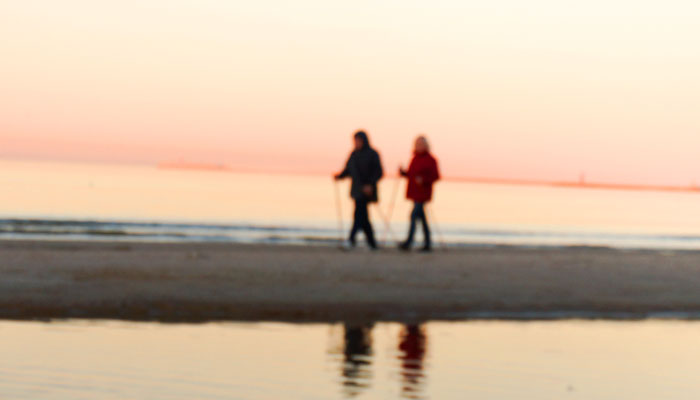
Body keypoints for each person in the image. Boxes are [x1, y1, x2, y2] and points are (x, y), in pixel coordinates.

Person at [334, 130, 383, 249]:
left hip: (367, 191)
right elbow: (348, 170)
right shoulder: (354, 154)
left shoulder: (372, 154)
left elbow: (379, 172)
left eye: (358, 140)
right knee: (363, 217)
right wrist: (339, 176)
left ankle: (351, 240)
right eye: (355, 140)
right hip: (356, 190)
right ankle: (372, 243)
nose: (356, 143)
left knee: (358, 215)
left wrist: (370, 185)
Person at [399, 135, 440, 252]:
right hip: (414, 192)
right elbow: (411, 175)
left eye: (421, 144)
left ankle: (409, 242)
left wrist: (424, 180)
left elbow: (436, 176)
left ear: (426, 146)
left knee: (413, 216)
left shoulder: (431, 160)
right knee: (422, 218)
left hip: (423, 193)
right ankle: (427, 242)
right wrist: (403, 173)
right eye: (417, 144)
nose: (419, 146)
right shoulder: (414, 158)